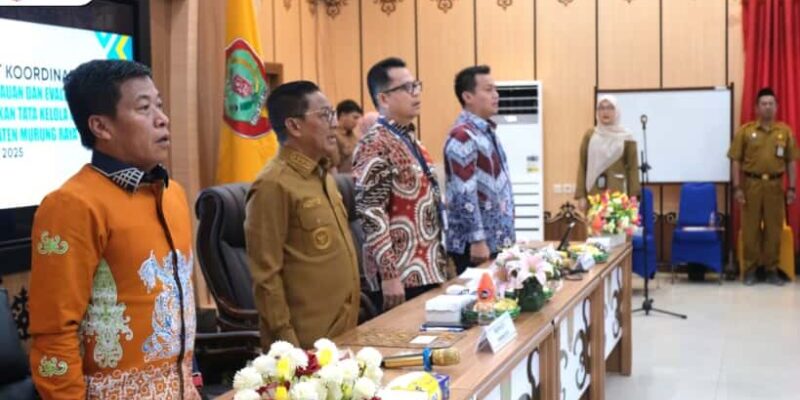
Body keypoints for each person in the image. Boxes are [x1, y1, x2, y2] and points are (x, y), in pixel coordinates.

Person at [28, 59, 199, 399]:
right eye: (144, 108)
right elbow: (54, 333)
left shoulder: (173, 194)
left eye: (160, 105)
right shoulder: (72, 204)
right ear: (101, 126)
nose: (162, 118)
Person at [245, 81, 360, 349]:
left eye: (333, 114)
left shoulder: (323, 176)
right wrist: (289, 348)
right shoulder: (273, 184)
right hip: (305, 346)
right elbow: (266, 277)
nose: (334, 123)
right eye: (325, 115)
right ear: (294, 126)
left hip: (344, 333)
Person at [353, 57, 447, 311]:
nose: (415, 93)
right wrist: (389, 274)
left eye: (416, 85)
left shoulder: (411, 141)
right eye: (406, 88)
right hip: (401, 277)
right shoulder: (374, 144)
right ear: (384, 98)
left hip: (427, 267)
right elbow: (371, 212)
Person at [443, 65, 515, 274]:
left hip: (495, 241)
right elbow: (464, 192)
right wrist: (477, 240)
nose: (496, 95)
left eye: (495, 89)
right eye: (488, 89)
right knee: (478, 295)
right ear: (468, 96)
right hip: (477, 247)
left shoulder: (484, 131)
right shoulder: (463, 135)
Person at [729, 87, 799, 286]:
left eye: (771, 104)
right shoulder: (745, 131)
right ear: (756, 108)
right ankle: (750, 270)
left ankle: (771, 270)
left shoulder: (784, 132)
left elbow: (791, 161)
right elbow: (736, 160)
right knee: (750, 230)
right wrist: (737, 187)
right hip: (751, 185)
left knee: (773, 230)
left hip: (775, 187)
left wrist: (792, 188)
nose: (767, 107)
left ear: (776, 107)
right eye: (763, 104)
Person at [574, 95, 640, 211]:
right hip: (594, 193)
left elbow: (632, 168)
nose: (605, 112)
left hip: (618, 194)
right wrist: (581, 196)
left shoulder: (627, 137)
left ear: (617, 111)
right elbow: (583, 165)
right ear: (597, 112)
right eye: (601, 108)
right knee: (595, 222)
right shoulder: (590, 135)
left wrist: (633, 196)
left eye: (610, 108)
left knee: (617, 222)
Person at [329, 99, 363, 173]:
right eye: (354, 117)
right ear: (343, 115)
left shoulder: (355, 137)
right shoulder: (332, 136)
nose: (357, 122)